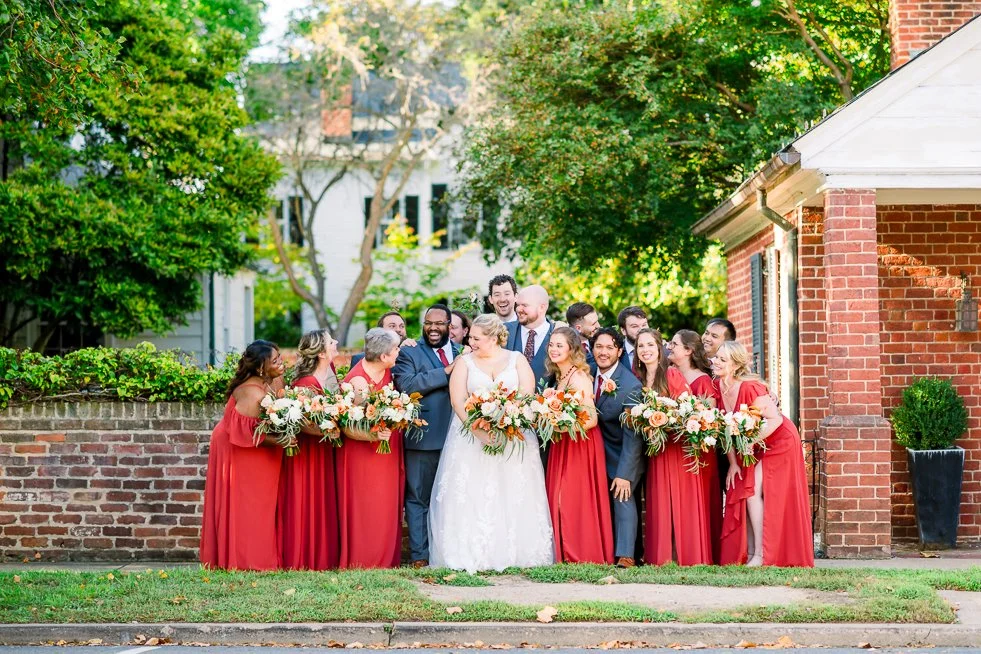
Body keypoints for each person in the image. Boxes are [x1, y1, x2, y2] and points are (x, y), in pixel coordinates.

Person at [428, 314, 554, 572]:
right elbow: (458, 401)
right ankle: (472, 553)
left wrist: (509, 424)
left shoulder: (517, 360)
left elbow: (527, 396)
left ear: (494, 338)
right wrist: (479, 431)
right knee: (473, 492)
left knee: (514, 491)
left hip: (513, 437)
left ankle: (518, 553)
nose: (469, 341)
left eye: (476, 337)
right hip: (471, 439)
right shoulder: (464, 362)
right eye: (470, 336)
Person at [714, 341, 813, 568]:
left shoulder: (750, 388)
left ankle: (761, 554)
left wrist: (750, 441)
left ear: (736, 365)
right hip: (756, 444)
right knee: (746, 489)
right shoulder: (717, 387)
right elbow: (725, 429)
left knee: (752, 491)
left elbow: (775, 419)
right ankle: (748, 553)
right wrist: (733, 464)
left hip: (780, 440)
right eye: (716, 358)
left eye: (722, 360)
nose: (716, 362)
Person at [201, 340, 286, 570]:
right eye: (276, 360)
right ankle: (246, 560)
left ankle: (259, 556)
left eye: (280, 357)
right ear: (261, 367)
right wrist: (282, 439)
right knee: (247, 503)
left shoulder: (272, 380)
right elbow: (248, 434)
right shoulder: (250, 393)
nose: (282, 362)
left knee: (261, 503)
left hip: (256, 449)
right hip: (238, 449)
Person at [634, 328, 713, 566]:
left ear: (659, 349)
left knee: (682, 501)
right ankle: (662, 557)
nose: (645, 350)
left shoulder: (671, 375)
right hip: (656, 451)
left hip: (677, 448)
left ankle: (687, 557)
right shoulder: (637, 379)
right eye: (640, 346)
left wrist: (664, 419)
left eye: (650, 345)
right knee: (659, 502)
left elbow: (688, 410)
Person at [392, 304, 461, 568]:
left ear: (449, 326)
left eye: (439, 323)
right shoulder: (410, 352)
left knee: (450, 498)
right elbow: (408, 385)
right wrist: (445, 371)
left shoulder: (461, 352)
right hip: (423, 438)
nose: (433, 328)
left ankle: (447, 551)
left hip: (457, 441)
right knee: (418, 498)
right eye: (428, 323)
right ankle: (420, 555)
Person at [542, 327, 614, 564]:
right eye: (551, 344)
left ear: (572, 349)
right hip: (563, 443)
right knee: (560, 497)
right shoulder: (558, 377)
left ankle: (580, 554)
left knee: (574, 499)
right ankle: (563, 552)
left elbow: (591, 419)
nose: (553, 349)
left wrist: (559, 426)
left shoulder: (578, 377)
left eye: (559, 345)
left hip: (579, 445)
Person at [337, 328, 406, 568]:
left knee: (386, 507)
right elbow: (346, 425)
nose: (399, 351)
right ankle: (364, 559)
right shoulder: (358, 383)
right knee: (367, 506)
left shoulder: (386, 372)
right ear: (384, 356)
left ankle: (385, 559)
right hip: (364, 455)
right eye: (396, 349)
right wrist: (373, 435)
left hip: (386, 450)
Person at [278, 329, 341, 571]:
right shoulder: (305, 384)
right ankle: (303, 558)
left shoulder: (331, 374)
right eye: (330, 342)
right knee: (307, 500)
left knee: (324, 500)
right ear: (322, 352)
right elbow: (303, 423)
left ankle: (324, 557)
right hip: (308, 453)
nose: (336, 343)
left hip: (325, 451)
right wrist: (326, 431)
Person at [590, 327, 645, 568]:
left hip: (620, 450)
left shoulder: (630, 385)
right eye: (599, 347)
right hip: (592, 451)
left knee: (623, 494)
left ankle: (626, 555)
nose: (603, 352)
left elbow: (633, 436)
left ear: (619, 351)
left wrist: (625, 473)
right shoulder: (587, 373)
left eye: (609, 348)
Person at [667, 328, 723, 563]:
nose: (669, 347)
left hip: (698, 451)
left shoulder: (702, 380)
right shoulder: (668, 374)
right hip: (674, 448)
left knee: (698, 501)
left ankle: (702, 551)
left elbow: (709, 416)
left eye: (674, 344)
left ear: (688, 351)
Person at [505, 285, 555, 386]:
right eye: (517, 305)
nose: (518, 309)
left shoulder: (558, 333)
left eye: (525, 305)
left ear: (542, 307)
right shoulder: (503, 331)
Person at [351, 312, 417, 367]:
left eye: (402, 326)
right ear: (380, 331)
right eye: (392, 326)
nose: (398, 329)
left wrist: (405, 351)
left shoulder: (413, 354)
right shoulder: (360, 359)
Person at [566, 302, 599, 371]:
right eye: (593, 324)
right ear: (578, 328)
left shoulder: (600, 339)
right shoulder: (566, 349)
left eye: (597, 321)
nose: (598, 326)